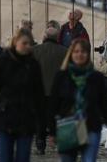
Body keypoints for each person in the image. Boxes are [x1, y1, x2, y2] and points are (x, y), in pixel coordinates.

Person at [0, 28, 45, 162]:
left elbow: (39, 97)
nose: (27, 47)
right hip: (5, 117)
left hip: (26, 119)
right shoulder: (3, 61)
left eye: (30, 44)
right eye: (24, 43)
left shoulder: (33, 65)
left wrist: (42, 126)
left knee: (23, 158)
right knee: (5, 158)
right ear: (15, 42)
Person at [50, 38, 107, 162]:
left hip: (90, 126)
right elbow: (53, 104)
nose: (80, 54)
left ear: (87, 54)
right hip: (67, 125)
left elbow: (105, 104)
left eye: (83, 52)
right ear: (71, 54)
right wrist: (52, 130)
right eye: (76, 51)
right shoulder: (62, 76)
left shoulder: (96, 77)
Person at [32, 26, 68, 154]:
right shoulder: (65, 51)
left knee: (40, 118)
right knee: (56, 117)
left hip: (39, 91)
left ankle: (40, 143)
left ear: (45, 37)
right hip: (58, 92)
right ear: (57, 37)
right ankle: (58, 140)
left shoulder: (35, 50)